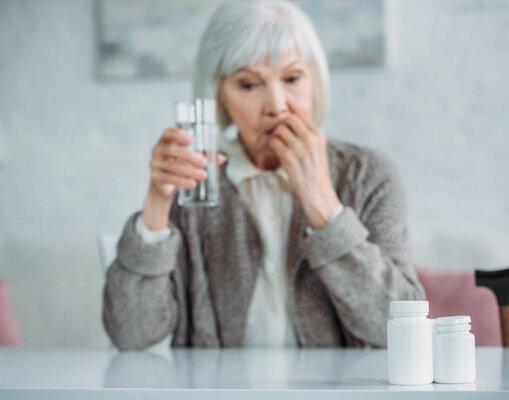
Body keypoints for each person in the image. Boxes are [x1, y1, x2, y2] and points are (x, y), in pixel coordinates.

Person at [103, 0, 425, 351]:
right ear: (219, 95)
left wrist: (324, 209)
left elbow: (403, 329)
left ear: (315, 81)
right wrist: (156, 205)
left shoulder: (368, 175)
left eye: (292, 78)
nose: (276, 105)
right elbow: (130, 334)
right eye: (249, 85)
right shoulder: (197, 181)